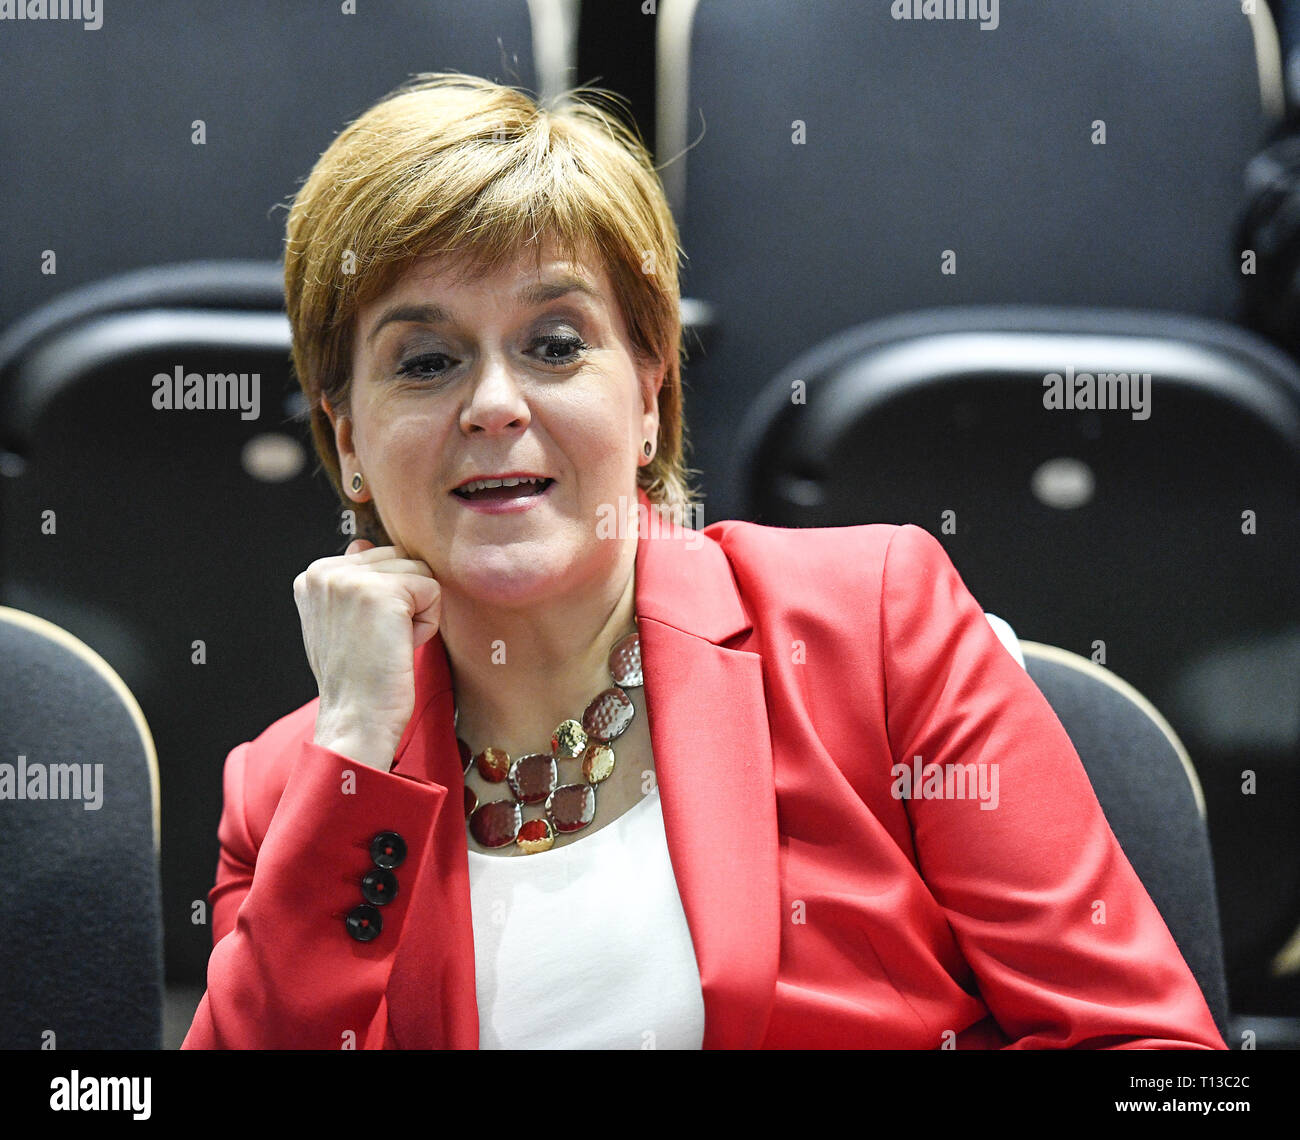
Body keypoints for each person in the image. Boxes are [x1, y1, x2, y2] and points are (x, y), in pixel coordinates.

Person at [182, 72, 1225, 1050]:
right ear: (349, 437)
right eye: (425, 361)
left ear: (647, 397)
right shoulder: (295, 793)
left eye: (553, 345)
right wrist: (359, 744)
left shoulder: (870, 625)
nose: (495, 404)